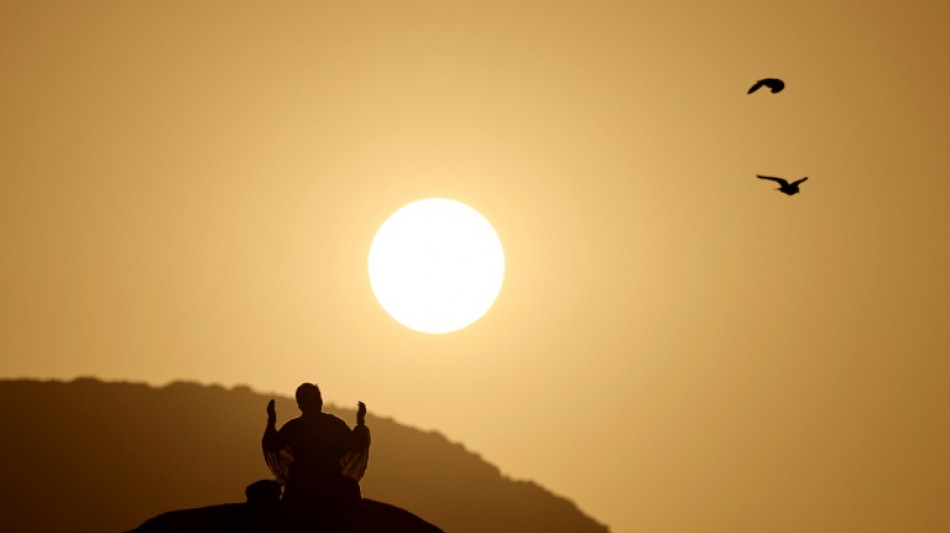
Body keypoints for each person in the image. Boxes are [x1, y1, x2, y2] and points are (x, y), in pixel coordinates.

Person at [261, 383, 370, 530]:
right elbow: (357, 443)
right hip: (327, 484)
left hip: (304, 485)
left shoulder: (295, 427)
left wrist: (271, 422)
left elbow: (271, 443)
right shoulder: (331, 424)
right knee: (351, 493)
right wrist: (361, 422)